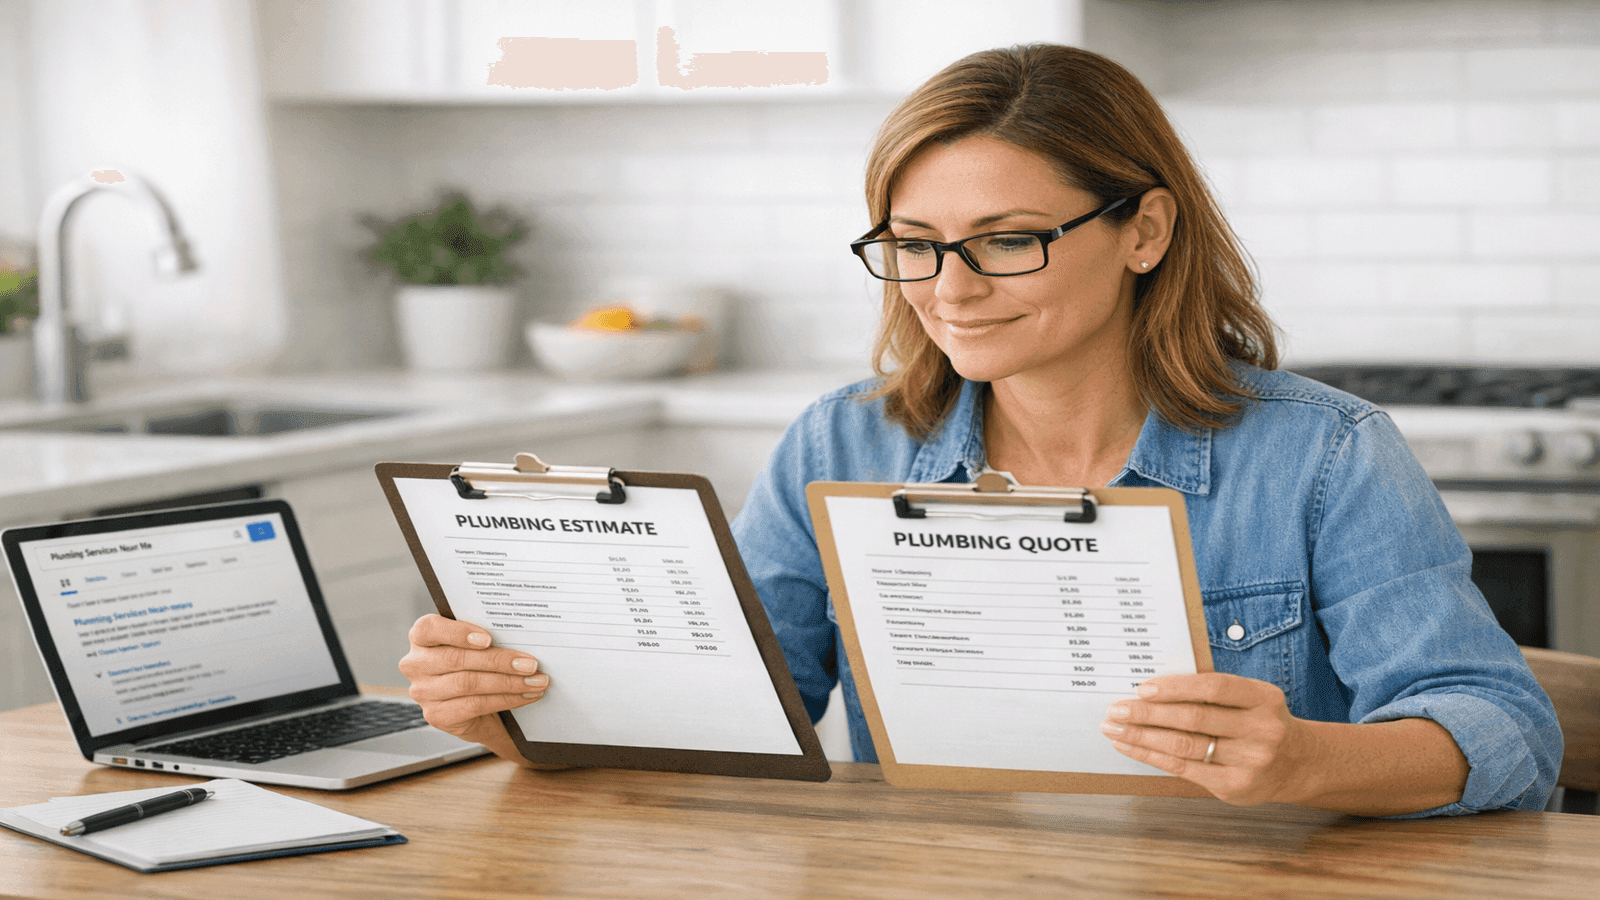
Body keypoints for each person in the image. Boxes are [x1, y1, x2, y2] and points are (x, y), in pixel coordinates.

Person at [399, 44, 1561, 815]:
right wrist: (522, 716)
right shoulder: (837, 446)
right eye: (912, 243)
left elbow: (1504, 730)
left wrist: (1310, 759)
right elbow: (736, 724)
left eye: (1007, 239)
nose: (947, 288)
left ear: (1144, 230)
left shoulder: (1322, 454)